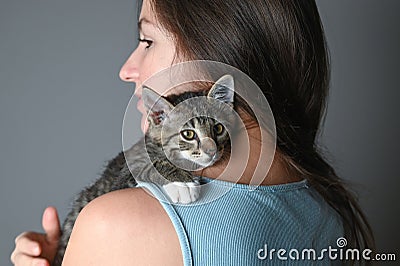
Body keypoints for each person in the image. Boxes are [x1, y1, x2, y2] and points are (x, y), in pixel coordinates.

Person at [11, 0, 374, 265]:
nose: (127, 69)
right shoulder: (323, 213)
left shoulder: (116, 227)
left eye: (147, 41)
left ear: (217, 47)